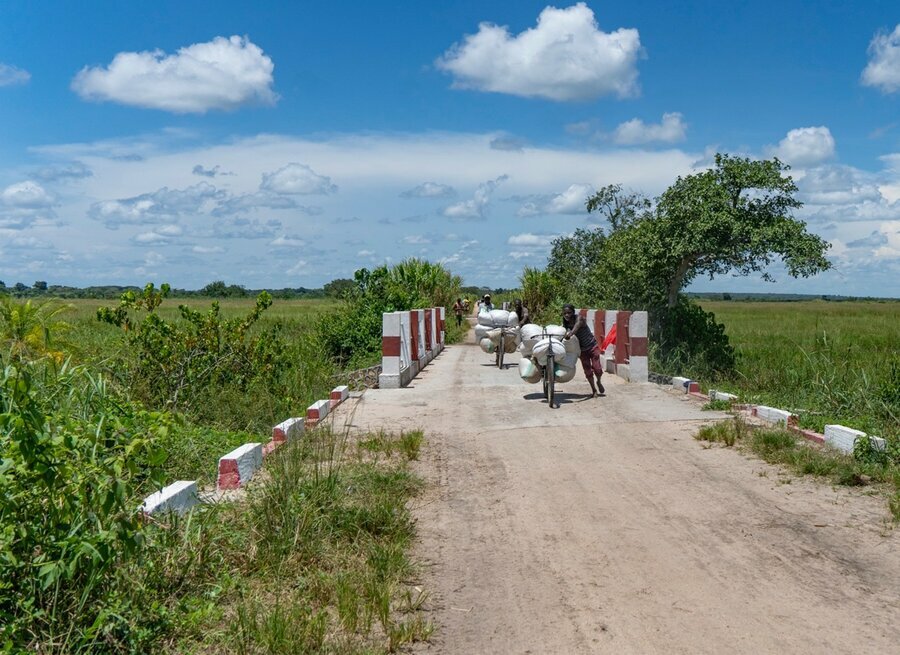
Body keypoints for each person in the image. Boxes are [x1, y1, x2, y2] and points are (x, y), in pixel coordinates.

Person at [562, 304, 605, 397]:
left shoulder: (580, 318)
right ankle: (594, 390)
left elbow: (575, 328)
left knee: (597, 368)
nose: (566, 315)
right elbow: (564, 331)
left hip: (592, 346)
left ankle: (599, 381)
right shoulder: (565, 322)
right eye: (564, 313)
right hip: (581, 350)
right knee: (588, 371)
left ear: (573, 313)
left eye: (569, 313)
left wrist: (570, 334)